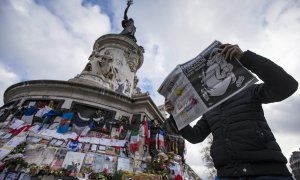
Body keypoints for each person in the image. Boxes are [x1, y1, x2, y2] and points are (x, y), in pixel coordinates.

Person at [164, 43, 298, 179]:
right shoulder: (209, 109)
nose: (223, 70)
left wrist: (246, 58)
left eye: (223, 67)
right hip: (227, 174)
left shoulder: (248, 90)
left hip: (267, 172)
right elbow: (195, 136)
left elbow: (286, 86)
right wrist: (175, 114)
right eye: (214, 71)